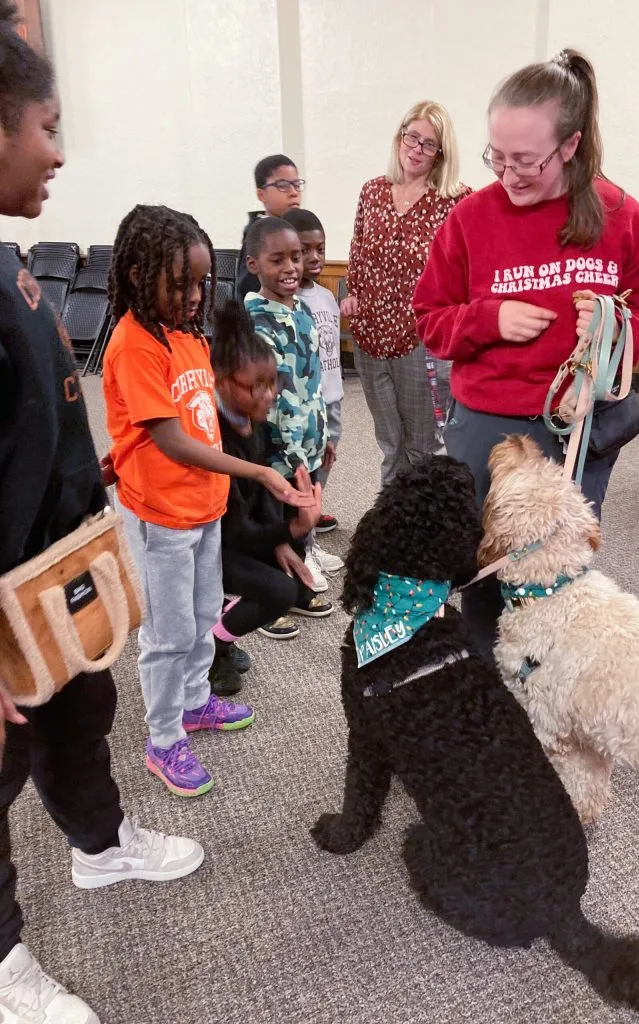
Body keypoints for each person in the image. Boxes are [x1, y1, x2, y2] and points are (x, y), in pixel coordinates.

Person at [0, 7, 204, 1020]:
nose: (61, 151)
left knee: (80, 714)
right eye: (45, 126)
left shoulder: (10, 263)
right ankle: (1, 965)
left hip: (49, 573)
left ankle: (101, 846)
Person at [413, 49, 639, 657]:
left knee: (557, 575)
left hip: (580, 432)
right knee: (484, 567)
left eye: (525, 160)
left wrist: (616, 330)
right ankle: (484, 684)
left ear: (571, 145)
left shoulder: (622, 216)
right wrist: (489, 318)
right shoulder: (470, 218)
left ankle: (548, 692)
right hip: (490, 429)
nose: (507, 174)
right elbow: (430, 320)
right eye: (495, 157)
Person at [102, 204, 315, 798]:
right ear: (142, 277)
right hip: (162, 517)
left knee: (200, 618)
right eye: (182, 283)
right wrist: (259, 474)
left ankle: (195, 701)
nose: (196, 295)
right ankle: (164, 738)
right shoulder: (135, 343)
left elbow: (206, 422)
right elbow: (170, 440)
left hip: (204, 509)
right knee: (168, 632)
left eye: (201, 281)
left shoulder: (186, 336)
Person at [341, 100, 471, 486]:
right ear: (399, 137)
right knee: (388, 441)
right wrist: (354, 295)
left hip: (422, 340)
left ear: (441, 153)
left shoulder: (456, 201)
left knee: (422, 446)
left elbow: (466, 270)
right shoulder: (373, 191)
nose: (416, 149)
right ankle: (392, 519)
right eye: (411, 137)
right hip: (370, 336)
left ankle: (418, 526)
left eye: (429, 144)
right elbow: (357, 251)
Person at [209, 300, 333, 677]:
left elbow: (261, 489)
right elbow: (236, 531)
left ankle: (217, 637)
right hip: (209, 548)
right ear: (221, 382)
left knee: (291, 578)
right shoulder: (216, 439)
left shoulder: (253, 420)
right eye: (255, 387)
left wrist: (283, 540)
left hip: (238, 535)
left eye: (272, 382)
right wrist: (294, 528)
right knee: (279, 591)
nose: (268, 395)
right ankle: (211, 647)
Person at [243, 216, 344, 592]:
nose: (291, 268)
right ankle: (272, 596)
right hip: (277, 451)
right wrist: (290, 452)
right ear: (254, 265)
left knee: (305, 514)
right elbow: (266, 402)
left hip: (309, 443)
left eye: (296, 257)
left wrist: (321, 438)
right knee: (278, 521)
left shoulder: (301, 310)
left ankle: (299, 581)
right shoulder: (256, 321)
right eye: (278, 260)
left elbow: (312, 383)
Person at [283, 207, 343, 534]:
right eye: (304, 251)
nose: (315, 257)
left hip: (333, 396)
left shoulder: (326, 295)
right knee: (305, 463)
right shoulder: (291, 299)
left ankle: (316, 507)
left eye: (320, 249)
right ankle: (301, 520)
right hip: (309, 401)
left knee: (327, 458)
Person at [236, 154, 304, 302]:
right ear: (261, 195)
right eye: (283, 186)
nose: (294, 192)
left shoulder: (296, 231)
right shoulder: (258, 235)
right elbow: (247, 287)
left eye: (297, 184)